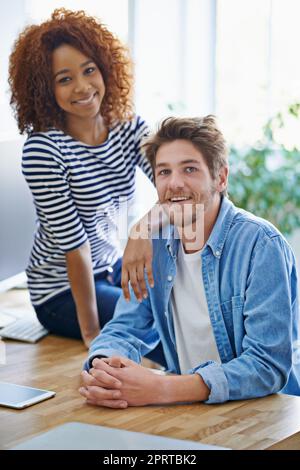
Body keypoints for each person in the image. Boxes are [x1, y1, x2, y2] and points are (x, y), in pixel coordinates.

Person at [80, 115, 300, 408]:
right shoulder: (155, 246)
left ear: (221, 178)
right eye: (164, 172)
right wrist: (104, 368)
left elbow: (266, 366)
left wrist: (162, 387)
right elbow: (125, 327)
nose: (174, 183)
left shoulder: (260, 245)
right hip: (189, 410)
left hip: (263, 414)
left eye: (190, 169)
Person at [8, 8, 158, 350]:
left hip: (110, 266)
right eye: (64, 79)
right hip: (61, 293)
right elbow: (75, 247)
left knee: (183, 307)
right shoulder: (44, 151)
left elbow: (172, 186)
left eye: (89, 70)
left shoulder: (128, 126)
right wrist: (91, 332)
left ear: (105, 69)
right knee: (152, 323)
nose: (82, 87)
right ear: (46, 90)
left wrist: (144, 230)